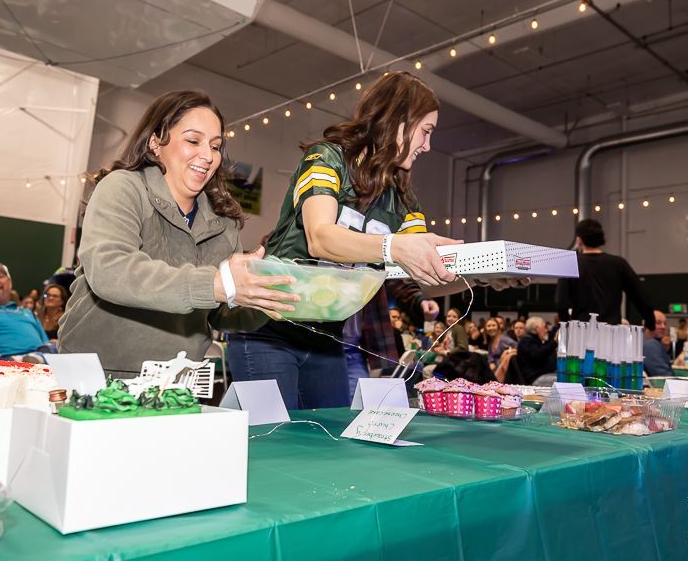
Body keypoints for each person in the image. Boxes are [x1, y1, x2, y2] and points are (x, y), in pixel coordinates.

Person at [227, 72, 524, 409]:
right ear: (398, 121)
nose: (428, 146)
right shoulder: (328, 158)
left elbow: (426, 280)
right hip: (269, 328)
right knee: (273, 442)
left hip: (326, 339)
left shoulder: (402, 196)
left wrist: (481, 275)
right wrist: (395, 246)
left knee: (327, 446)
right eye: (425, 132)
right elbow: (319, 237)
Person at [59, 91, 296, 377]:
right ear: (156, 142)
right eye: (193, 141)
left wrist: (264, 297)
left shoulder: (224, 222)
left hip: (177, 380)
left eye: (216, 146)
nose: (208, 156)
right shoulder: (123, 188)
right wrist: (216, 284)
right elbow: (110, 270)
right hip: (97, 373)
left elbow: (222, 313)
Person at [555, 219, 654, 330]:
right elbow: (640, 296)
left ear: (578, 240)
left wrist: (566, 325)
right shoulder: (618, 264)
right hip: (611, 332)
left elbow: (561, 303)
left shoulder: (569, 263)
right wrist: (650, 323)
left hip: (581, 332)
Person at [512, 315, 558, 386]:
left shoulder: (535, 341)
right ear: (537, 328)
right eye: (544, 327)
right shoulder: (526, 341)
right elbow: (538, 354)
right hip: (534, 379)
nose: (546, 330)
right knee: (563, 380)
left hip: (543, 375)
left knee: (565, 376)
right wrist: (554, 342)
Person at [642, 310, 674, 377]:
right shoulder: (650, 344)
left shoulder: (644, 341)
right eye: (658, 323)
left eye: (665, 323)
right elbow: (664, 376)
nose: (663, 327)